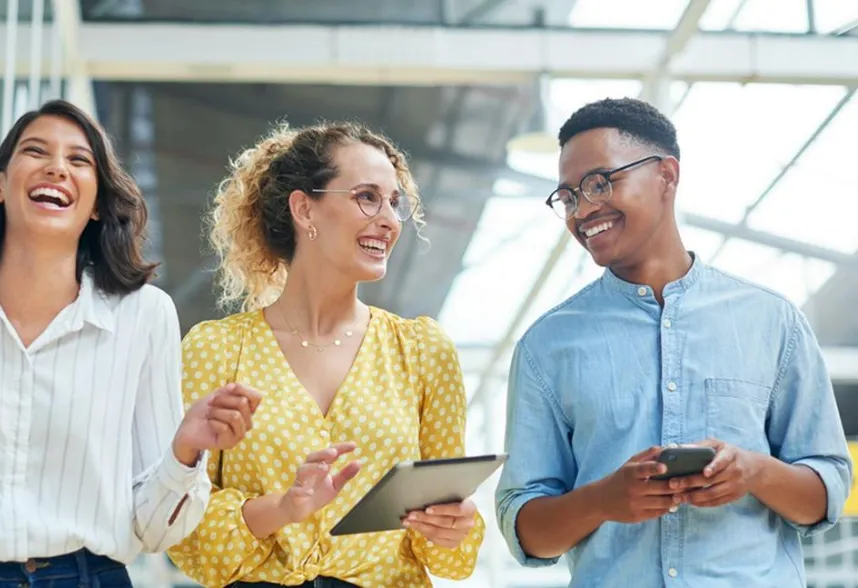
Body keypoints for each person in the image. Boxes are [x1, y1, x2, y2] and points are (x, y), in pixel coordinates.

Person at [0, 99, 261, 587]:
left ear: (99, 201)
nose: (57, 168)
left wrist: (186, 449)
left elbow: (152, 529)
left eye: (79, 161)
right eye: (36, 152)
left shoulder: (143, 316)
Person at [495, 97, 853, 586]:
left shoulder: (773, 322)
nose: (584, 210)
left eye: (600, 183)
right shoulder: (547, 347)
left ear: (666, 175)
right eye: (569, 197)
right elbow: (527, 530)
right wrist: (603, 500)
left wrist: (752, 472)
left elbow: (826, 492)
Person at [166, 122, 485, 587]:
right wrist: (284, 507)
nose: (390, 220)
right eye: (367, 197)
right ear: (304, 208)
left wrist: (456, 525)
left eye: (394, 203)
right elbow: (184, 531)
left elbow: (450, 557)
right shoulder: (215, 349)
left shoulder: (421, 351)